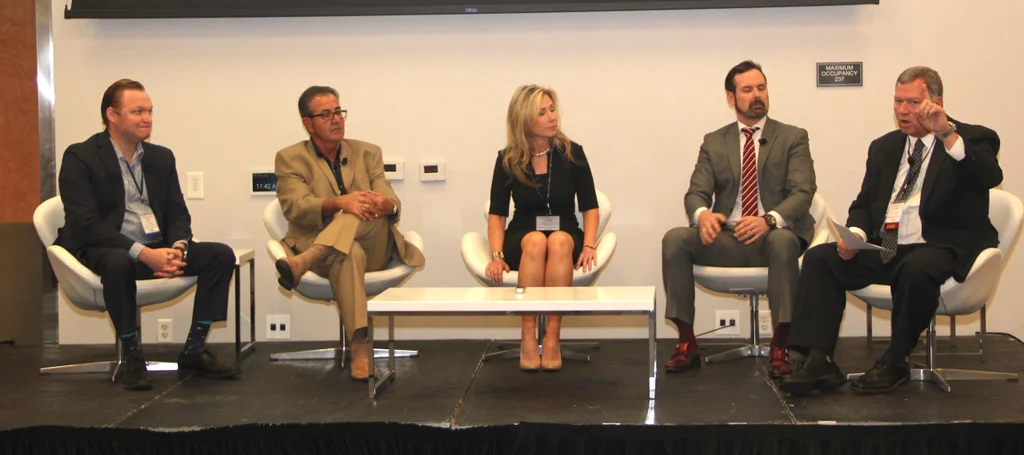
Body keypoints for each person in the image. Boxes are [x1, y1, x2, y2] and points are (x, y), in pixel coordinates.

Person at [780, 66, 1002, 396]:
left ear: (937, 103)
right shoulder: (884, 147)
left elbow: (989, 176)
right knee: (820, 259)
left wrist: (946, 133)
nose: (903, 110)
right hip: (887, 247)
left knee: (916, 268)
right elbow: (865, 203)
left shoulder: (973, 138)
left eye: (913, 102)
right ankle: (818, 360)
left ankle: (896, 360)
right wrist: (855, 234)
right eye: (898, 101)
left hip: (939, 246)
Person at [57, 79, 239, 391]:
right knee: (118, 263)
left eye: (150, 111)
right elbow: (86, 224)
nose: (147, 119)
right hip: (105, 249)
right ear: (112, 115)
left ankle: (194, 350)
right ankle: (131, 356)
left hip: (157, 248)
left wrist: (178, 249)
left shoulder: (160, 157)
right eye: (138, 111)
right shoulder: (81, 156)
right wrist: (143, 253)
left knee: (220, 255)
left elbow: (177, 212)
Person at [661, 61, 817, 377]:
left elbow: (803, 191)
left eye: (761, 87)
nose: (757, 95)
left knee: (783, 241)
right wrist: (703, 215)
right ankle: (687, 342)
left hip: (772, 237)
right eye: (748, 90)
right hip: (727, 238)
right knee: (675, 239)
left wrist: (769, 220)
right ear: (731, 98)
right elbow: (696, 193)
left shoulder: (792, 137)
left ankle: (781, 345)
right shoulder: (714, 141)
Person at [274, 86, 425, 381]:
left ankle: (305, 260)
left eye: (338, 112)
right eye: (326, 114)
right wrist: (340, 203)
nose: (336, 119)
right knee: (348, 251)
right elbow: (295, 206)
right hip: (328, 250)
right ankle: (360, 347)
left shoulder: (368, 153)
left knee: (359, 213)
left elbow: (389, 198)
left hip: (373, 248)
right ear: (308, 123)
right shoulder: (290, 158)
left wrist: (387, 205)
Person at [485, 85, 600, 372]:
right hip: (522, 237)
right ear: (524, 120)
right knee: (536, 240)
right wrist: (497, 255)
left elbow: (590, 207)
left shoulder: (573, 153)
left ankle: (552, 337)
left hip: (565, 231)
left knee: (559, 240)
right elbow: (497, 214)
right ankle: (527, 335)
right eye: (542, 113)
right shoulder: (508, 159)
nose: (552, 117)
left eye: (552, 109)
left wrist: (589, 244)